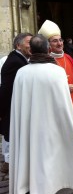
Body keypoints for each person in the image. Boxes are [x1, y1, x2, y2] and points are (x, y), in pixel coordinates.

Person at [9, 34, 73, 193]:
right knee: (51, 155)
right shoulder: (56, 72)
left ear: (32, 50)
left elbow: (18, 106)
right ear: (47, 48)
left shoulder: (21, 73)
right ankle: (55, 181)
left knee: (34, 154)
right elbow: (65, 106)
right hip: (51, 126)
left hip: (29, 127)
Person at [38, 20, 73, 155]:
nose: (59, 43)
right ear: (48, 44)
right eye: (55, 41)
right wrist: (62, 87)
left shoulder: (68, 57)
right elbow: (45, 84)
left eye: (60, 40)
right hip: (59, 103)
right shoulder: (46, 61)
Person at [0, 33, 32, 174]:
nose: (32, 45)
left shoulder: (21, 59)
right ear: (18, 45)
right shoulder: (15, 62)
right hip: (12, 111)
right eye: (29, 42)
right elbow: (6, 91)